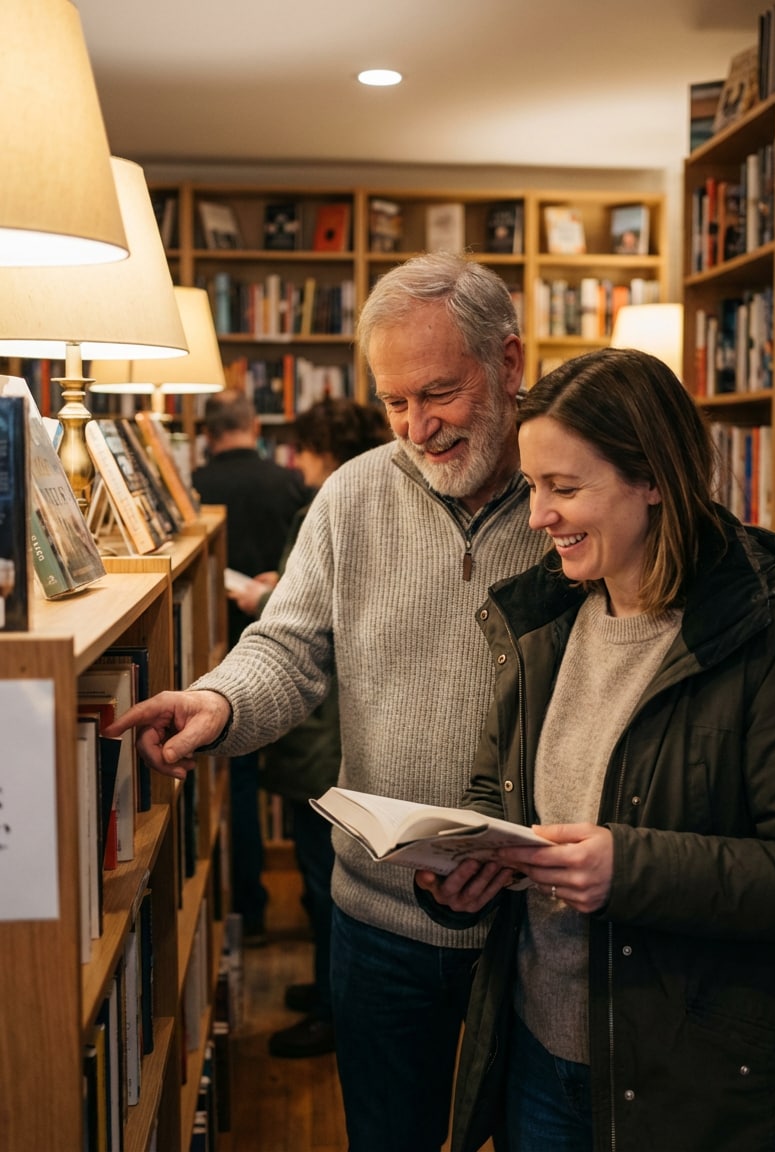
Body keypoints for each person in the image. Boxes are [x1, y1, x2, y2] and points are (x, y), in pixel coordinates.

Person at [105, 252, 550, 1152]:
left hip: (542, 924)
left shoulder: (574, 494)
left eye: (440, 393)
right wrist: (218, 704)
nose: (417, 428)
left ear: (509, 365)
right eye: (394, 402)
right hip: (379, 920)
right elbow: (287, 647)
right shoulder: (351, 496)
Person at [415, 347, 775, 1152]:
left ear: (654, 479)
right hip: (538, 1055)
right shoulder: (544, 626)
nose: (537, 518)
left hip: (694, 1089)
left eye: (565, 488)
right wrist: (465, 867)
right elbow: (500, 796)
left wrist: (628, 869)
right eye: (533, 487)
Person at [229, 396, 391, 1058]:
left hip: (321, 733)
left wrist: (261, 597)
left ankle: (333, 1004)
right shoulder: (372, 505)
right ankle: (328, 990)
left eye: (304, 448)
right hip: (334, 724)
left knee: (326, 876)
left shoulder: (331, 507)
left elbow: (307, 622)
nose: (296, 462)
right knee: (322, 870)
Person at [192, 389, 308, 944]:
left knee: (233, 781)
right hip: (299, 652)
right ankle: (312, 923)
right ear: (254, 425)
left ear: (207, 433)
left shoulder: (194, 486)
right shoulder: (289, 483)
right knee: (296, 781)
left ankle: (248, 911)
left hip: (212, 653)